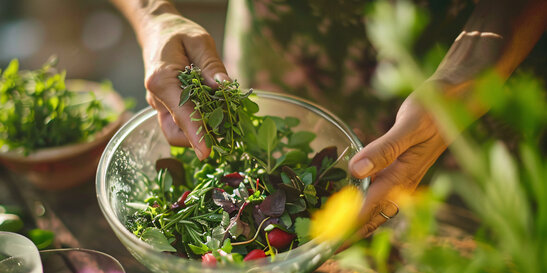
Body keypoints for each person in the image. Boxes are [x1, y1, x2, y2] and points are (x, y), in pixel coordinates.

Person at [110, 0, 546, 238]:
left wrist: (466, 75)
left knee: (474, 249)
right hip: (285, 55)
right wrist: (154, 12)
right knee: (270, 172)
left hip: (469, 73)